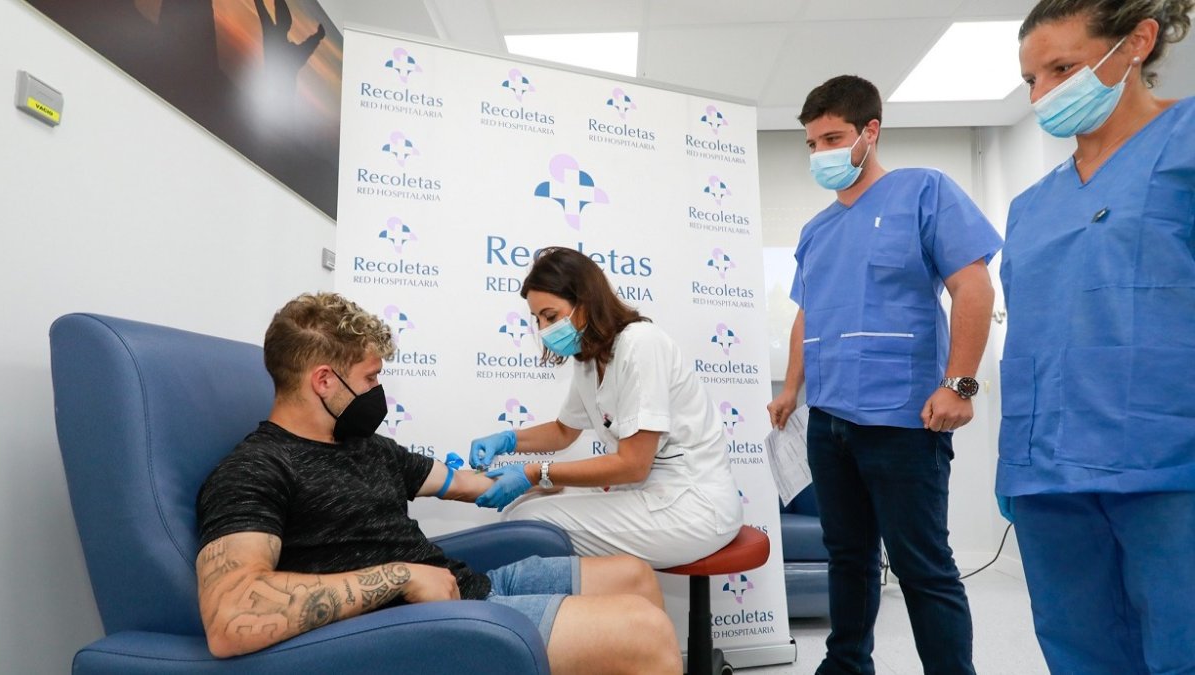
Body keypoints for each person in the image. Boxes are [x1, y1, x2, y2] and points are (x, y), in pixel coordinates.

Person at [195, 292, 681, 674]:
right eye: (369, 379)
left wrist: (535, 478)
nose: (377, 393)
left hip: (470, 588)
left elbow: (468, 485)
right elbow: (229, 615)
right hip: (419, 626)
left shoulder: (367, 447)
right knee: (645, 632)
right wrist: (399, 577)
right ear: (324, 380)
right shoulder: (256, 469)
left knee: (634, 577)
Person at [767, 76, 1003, 675]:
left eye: (833, 137)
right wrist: (792, 391)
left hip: (902, 419)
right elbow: (806, 314)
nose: (821, 153)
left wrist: (961, 385)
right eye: (812, 143)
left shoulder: (924, 192)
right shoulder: (816, 231)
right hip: (830, 422)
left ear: (871, 132)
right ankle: (846, 665)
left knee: (923, 565)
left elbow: (972, 286)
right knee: (846, 555)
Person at [999, 1, 1195, 672]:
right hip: (1046, 471)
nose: (1044, 94)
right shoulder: (1031, 207)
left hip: (1169, 462)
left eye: (1062, 68)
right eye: (1032, 79)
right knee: (1081, 649)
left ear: (1139, 42)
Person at [468, 247, 743, 569]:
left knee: (530, 521)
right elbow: (563, 431)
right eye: (538, 319)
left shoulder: (640, 344)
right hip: (651, 490)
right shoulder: (591, 357)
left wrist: (533, 472)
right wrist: (507, 440)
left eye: (551, 316)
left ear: (585, 302)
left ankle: (591, 616)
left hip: (694, 504)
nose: (543, 329)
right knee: (525, 506)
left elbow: (633, 464)